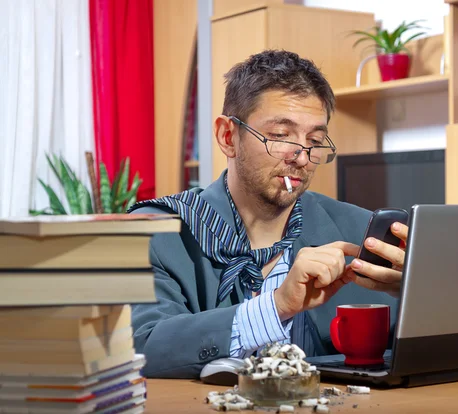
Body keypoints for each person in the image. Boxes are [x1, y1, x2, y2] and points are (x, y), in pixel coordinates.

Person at [128, 49, 408, 379]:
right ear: (227, 136)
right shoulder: (152, 233)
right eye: (279, 135)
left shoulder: (363, 234)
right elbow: (142, 349)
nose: (302, 157)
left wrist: (414, 299)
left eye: (315, 140)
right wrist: (276, 307)